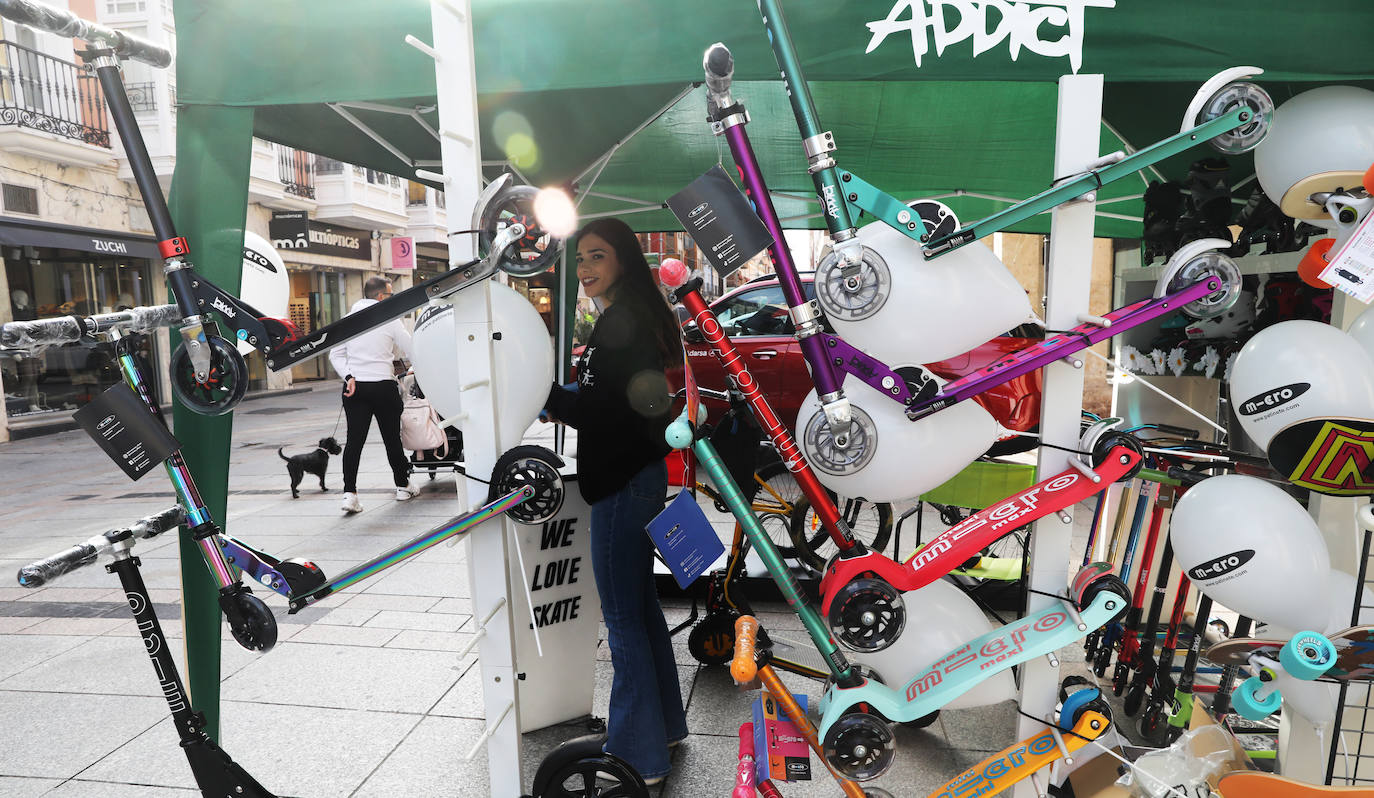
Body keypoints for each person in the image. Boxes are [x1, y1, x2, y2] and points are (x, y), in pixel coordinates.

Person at [543, 218, 686, 784]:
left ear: (623, 259)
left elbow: (606, 409)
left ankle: (636, 756)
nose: (585, 270)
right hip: (641, 477)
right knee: (643, 612)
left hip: (622, 484)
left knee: (624, 621)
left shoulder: (621, 323)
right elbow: (621, 399)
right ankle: (664, 729)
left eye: (596, 257)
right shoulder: (638, 315)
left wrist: (547, 393)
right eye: (580, 260)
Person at [328, 276, 417, 514]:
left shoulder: (348, 320)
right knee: (391, 439)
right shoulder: (389, 319)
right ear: (380, 296)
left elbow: (335, 355)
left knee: (354, 442)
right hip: (383, 387)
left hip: (355, 388)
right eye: (389, 294)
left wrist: (349, 376)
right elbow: (412, 349)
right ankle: (402, 485)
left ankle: (349, 495)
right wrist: (415, 368)